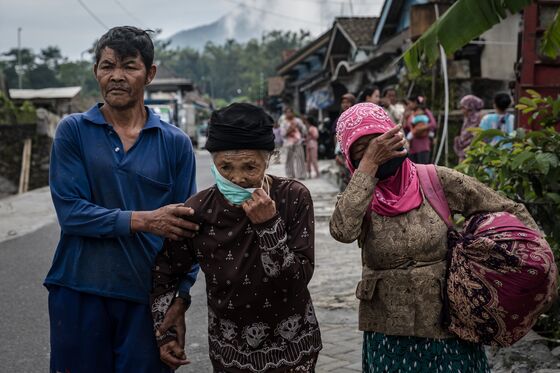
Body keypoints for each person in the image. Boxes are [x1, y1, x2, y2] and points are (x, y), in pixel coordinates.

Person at [330, 103, 539, 373]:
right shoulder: (359, 195)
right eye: (363, 151)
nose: (377, 155)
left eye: (380, 144)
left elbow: (507, 209)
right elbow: (342, 231)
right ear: (351, 158)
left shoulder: (435, 179)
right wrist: (368, 167)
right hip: (388, 332)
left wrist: (533, 261)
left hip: (448, 325)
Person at [45, 26, 200, 373]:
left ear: (150, 74)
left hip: (145, 298)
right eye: (107, 66)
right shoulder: (73, 131)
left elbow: (187, 231)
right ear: (96, 72)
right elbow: (72, 214)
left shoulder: (174, 143)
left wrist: (181, 297)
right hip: (78, 291)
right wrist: (146, 220)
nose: (116, 76)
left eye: (129, 66)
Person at [151, 103, 322, 372]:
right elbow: (166, 270)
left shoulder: (293, 197)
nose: (238, 178)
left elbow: (296, 282)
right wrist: (167, 328)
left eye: (250, 167)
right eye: (226, 167)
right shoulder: (198, 209)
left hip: (293, 345)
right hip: (230, 350)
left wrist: (268, 226)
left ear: (269, 159)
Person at [403, 96, 437, 164]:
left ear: (415, 102)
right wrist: (404, 117)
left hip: (423, 147)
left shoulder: (425, 111)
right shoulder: (410, 114)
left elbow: (433, 124)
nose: (408, 105)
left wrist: (420, 128)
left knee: (423, 169)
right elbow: (406, 128)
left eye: (409, 103)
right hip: (412, 148)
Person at [454, 94, 484, 161]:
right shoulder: (467, 119)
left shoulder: (479, 118)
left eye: (463, 108)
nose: (462, 110)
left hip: (474, 153)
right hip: (464, 152)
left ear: (470, 107)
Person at [280, 107, 307, 179]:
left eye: (290, 112)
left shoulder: (298, 121)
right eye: (287, 112)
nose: (289, 114)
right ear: (285, 114)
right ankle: (290, 175)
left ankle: (301, 175)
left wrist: (300, 127)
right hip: (288, 143)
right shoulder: (283, 123)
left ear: (293, 113)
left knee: (300, 158)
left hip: (298, 142)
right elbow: (283, 134)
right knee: (289, 159)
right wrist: (291, 128)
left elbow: (303, 129)